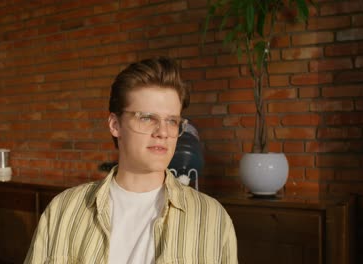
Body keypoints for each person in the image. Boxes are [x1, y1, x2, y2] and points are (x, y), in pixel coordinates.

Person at [24, 57, 238, 264]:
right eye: (146, 118)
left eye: (172, 121)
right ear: (115, 125)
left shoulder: (212, 219)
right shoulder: (63, 211)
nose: (163, 132)